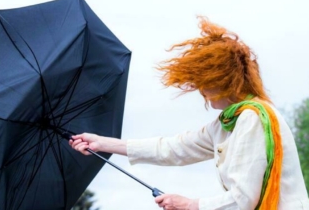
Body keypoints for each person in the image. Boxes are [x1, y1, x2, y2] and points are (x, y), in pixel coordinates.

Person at [69, 17, 309, 210]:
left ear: (222, 79)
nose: (200, 90)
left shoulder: (252, 119)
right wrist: (102, 143)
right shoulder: (228, 122)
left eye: (202, 81)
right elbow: (173, 148)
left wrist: (192, 205)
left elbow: (243, 200)